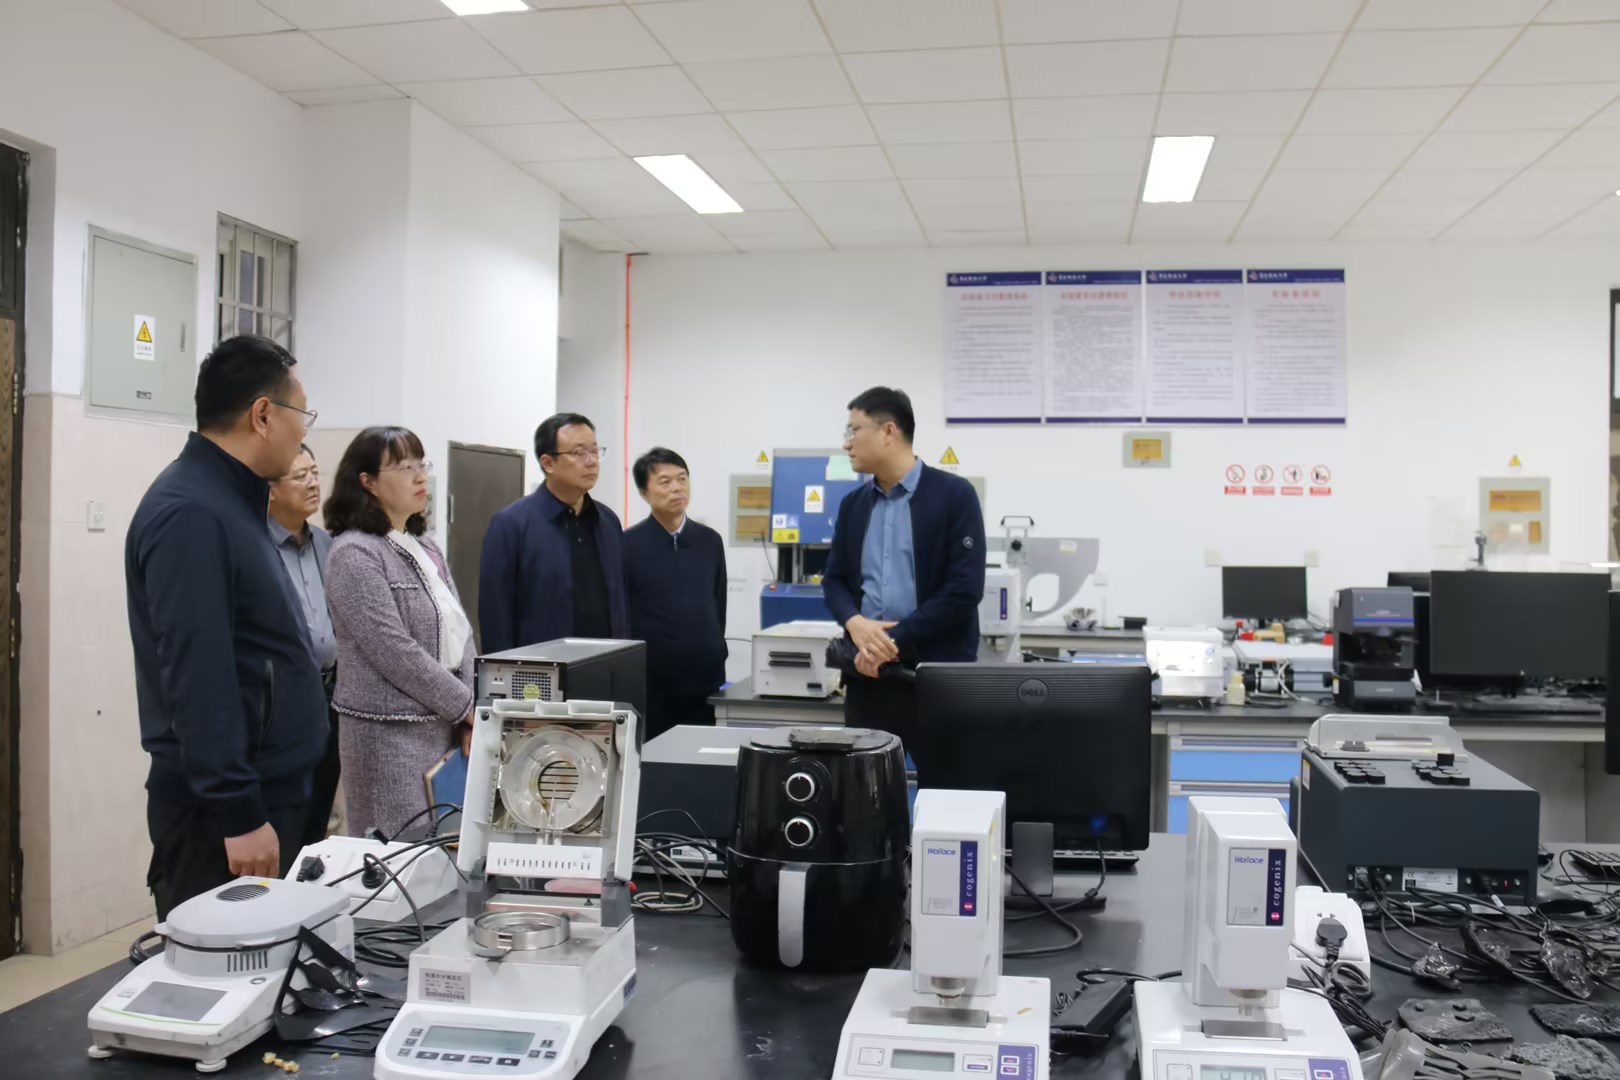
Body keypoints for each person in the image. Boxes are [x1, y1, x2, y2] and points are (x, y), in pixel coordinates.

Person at [126, 335, 326, 919]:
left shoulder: (231, 501)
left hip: (269, 790)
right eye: (301, 414)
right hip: (228, 814)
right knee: (228, 963)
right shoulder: (191, 511)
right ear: (263, 415)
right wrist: (238, 810)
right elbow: (198, 674)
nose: (302, 431)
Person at [323, 427, 476, 839]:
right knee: (396, 854)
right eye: (404, 467)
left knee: (445, 848)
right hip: (388, 737)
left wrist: (467, 714)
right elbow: (394, 651)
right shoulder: (354, 552)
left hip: (444, 727)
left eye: (421, 465)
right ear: (367, 482)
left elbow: (460, 632)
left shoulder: (425, 546)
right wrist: (465, 706)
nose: (420, 476)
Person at [823, 387, 985, 754]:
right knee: (865, 784)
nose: (847, 443)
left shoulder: (954, 496)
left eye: (854, 430)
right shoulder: (853, 505)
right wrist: (855, 623)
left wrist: (893, 641)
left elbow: (964, 589)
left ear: (888, 431)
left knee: (944, 784)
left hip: (934, 679)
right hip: (867, 677)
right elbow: (834, 581)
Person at [479, 412, 630, 653]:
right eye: (579, 453)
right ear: (548, 463)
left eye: (595, 451)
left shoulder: (607, 521)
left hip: (604, 663)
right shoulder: (511, 524)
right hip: (542, 668)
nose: (591, 461)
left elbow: (619, 602)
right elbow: (495, 616)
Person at [622, 448, 728, 739]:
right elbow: (622, 613)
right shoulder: (627, 545)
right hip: (652, 683)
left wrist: (716, 650)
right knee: (654, 758)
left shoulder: (709, 541)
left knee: (701, 754)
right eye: (665, 482)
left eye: (682, 479)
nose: (677, 488)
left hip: (704, 679)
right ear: (644, 492)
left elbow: (717, 604)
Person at [267, 443, 340, 846]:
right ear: (270, 489)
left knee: (318, 820)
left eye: (315, 473)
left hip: (330, 698)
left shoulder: (328, 545)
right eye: (300, 476)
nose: (313, 483)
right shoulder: (255, 547)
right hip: (282, 706)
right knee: (284, 825)